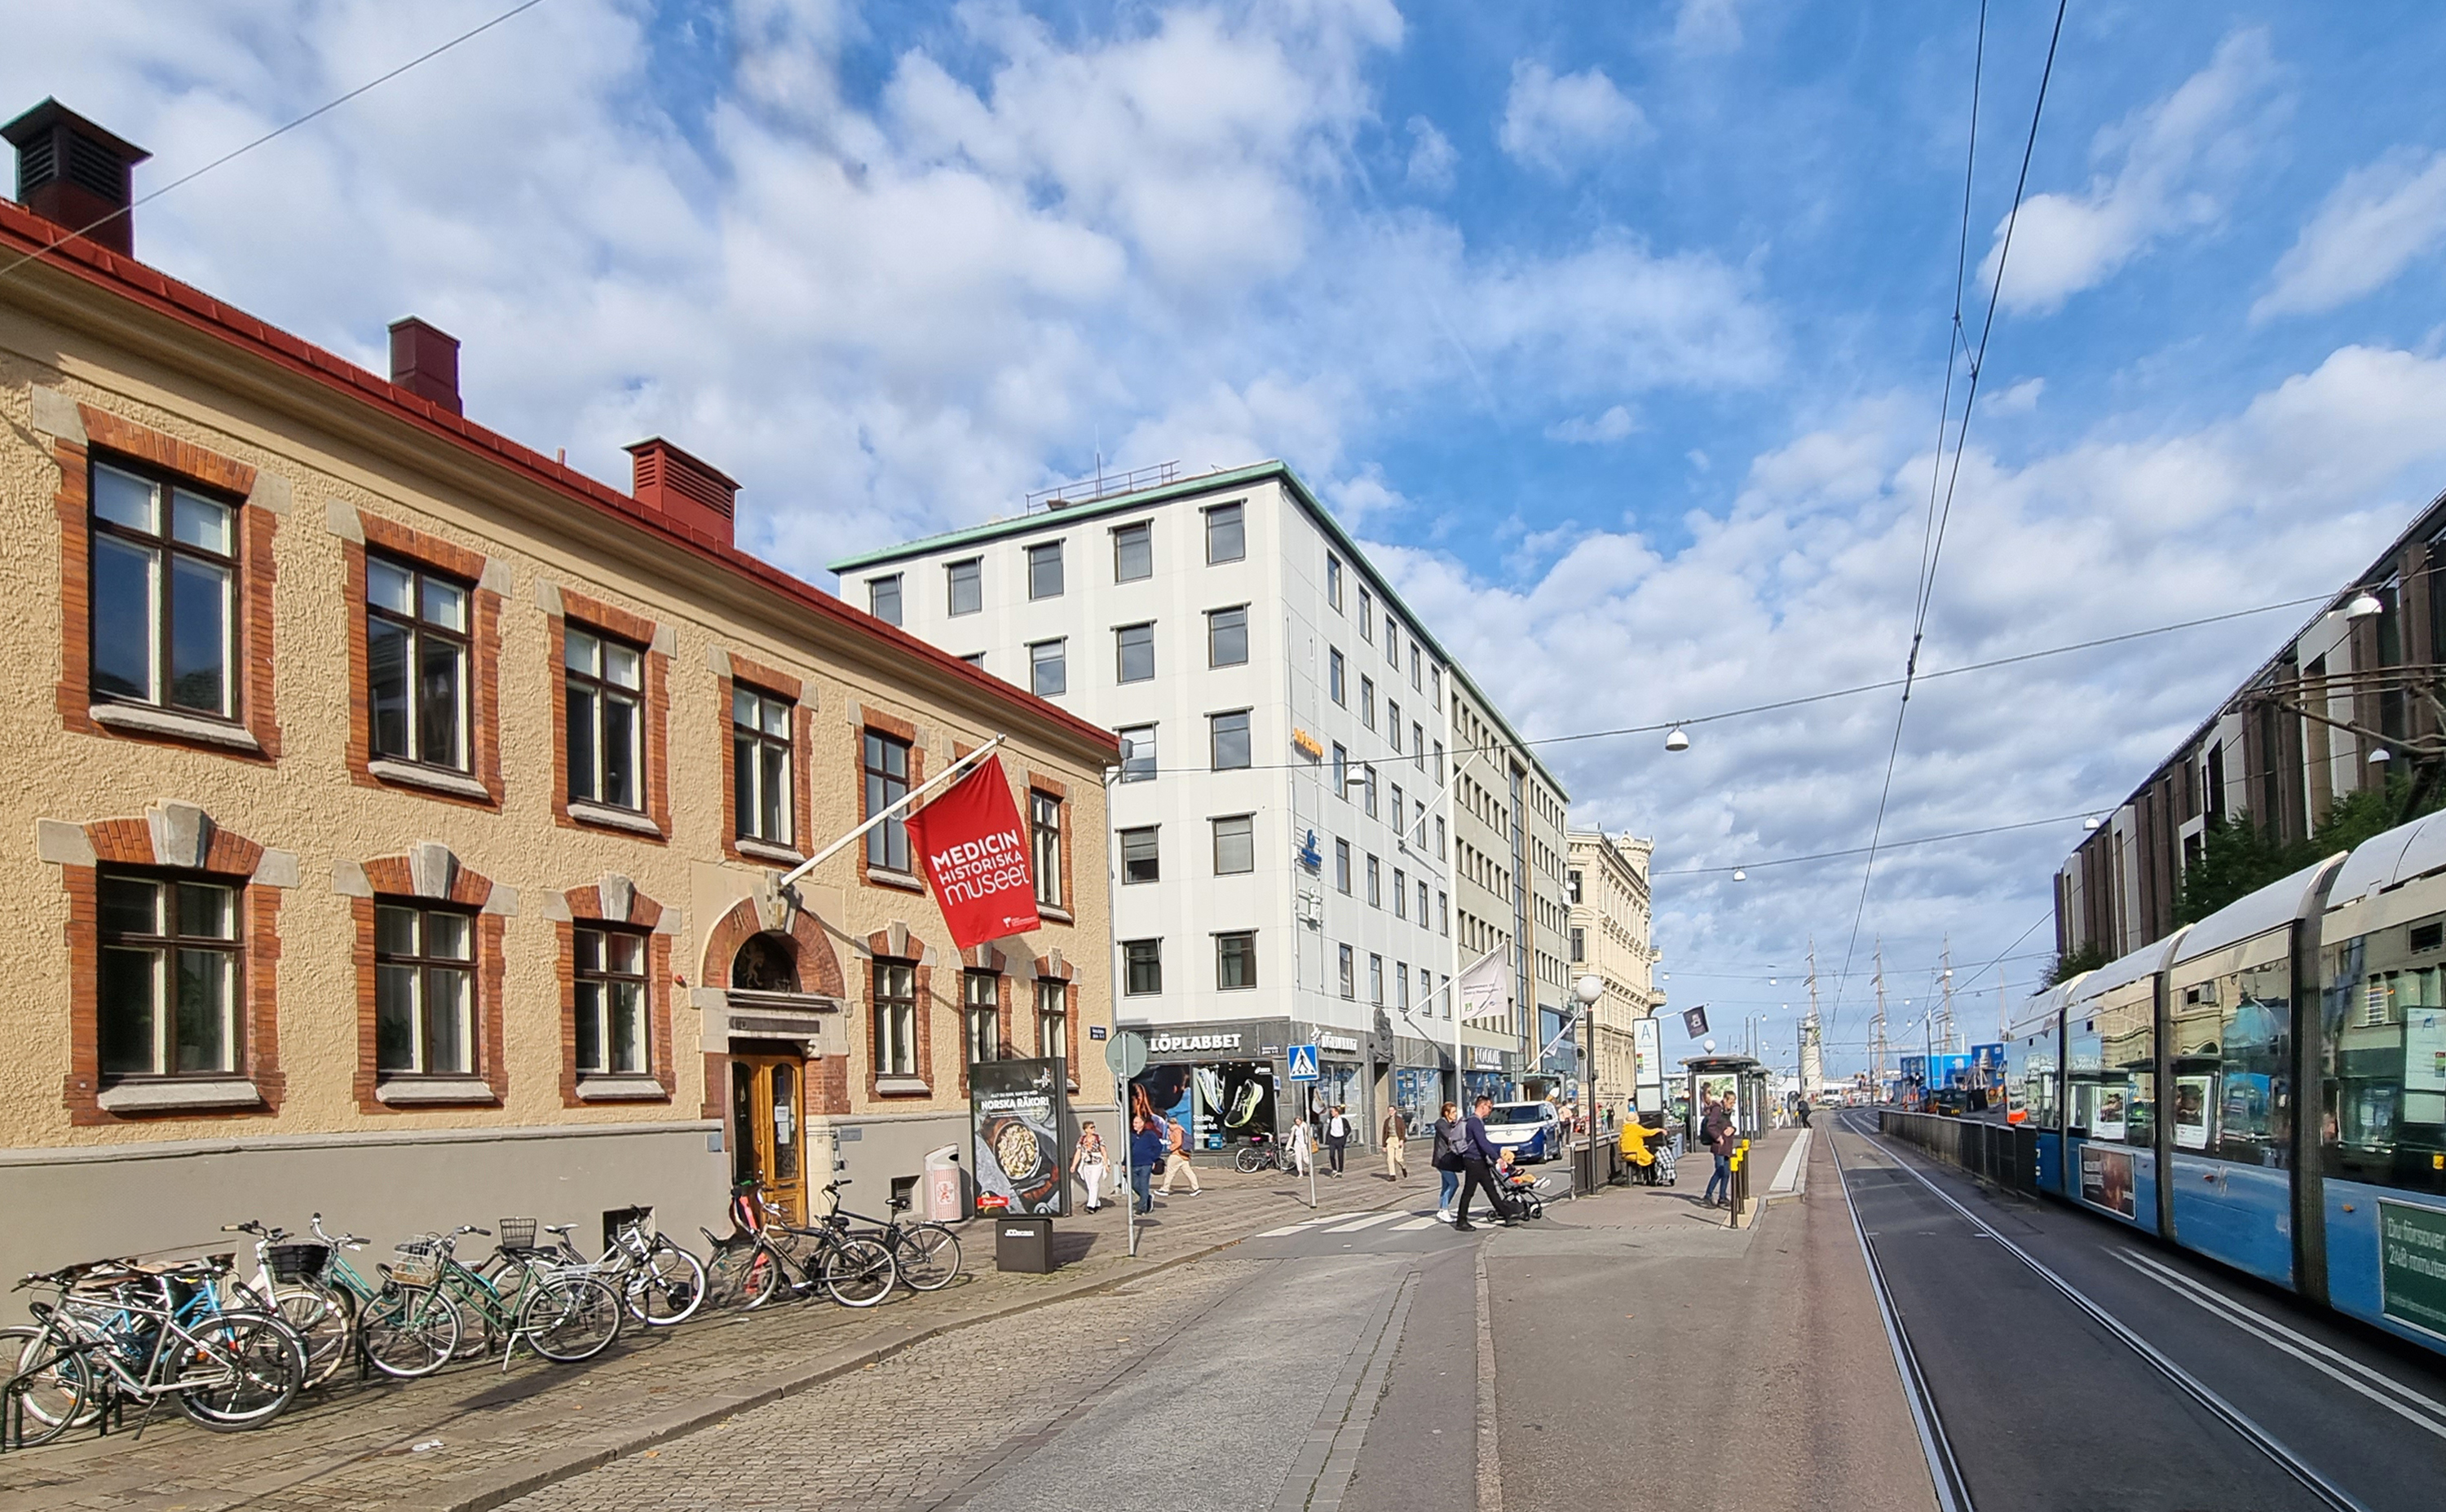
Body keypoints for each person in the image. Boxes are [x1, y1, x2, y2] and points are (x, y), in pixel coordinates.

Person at [1452, 1095, 1510, 1231]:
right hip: (1474, 1160)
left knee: (1490, 1189)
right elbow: (1482, 1143)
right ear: (1482, 1106)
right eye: (1489, 1107)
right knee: (1469, 1191)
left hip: (1478, 1160)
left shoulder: (1475, 1121)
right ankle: (1461, 1221)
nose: (1490, 1110)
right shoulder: (1475, 1122)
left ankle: (1506, 1213)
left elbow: (1484, 1143)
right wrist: (1497, 1158)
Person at [1701, 1095, 1736, 1209]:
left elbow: (1727, 1125)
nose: (1732, 1105)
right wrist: (1718, 1137)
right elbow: (1710, 1126)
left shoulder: (1726, 1112)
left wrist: (1733, 1129)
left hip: (1726, 1146)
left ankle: (1722, 1197)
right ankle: (1708, 1195)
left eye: (1733, 1102)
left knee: (1726, 1172)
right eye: (1730, 1102)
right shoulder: (1717, 1110)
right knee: (1720, 1171)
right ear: (1725, 1100)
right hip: (1719, 1146)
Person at [1129, 1114, 1167, 1214]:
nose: (1134, 1125)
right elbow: (1128, 1150)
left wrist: (1153, 1159)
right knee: (1134, 1184)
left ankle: (1142, 1208)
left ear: (1142, 1124)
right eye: (1134, 1123)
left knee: (1144, 1184)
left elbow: (1158, 1147)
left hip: (1146, 1164)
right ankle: (1146, 1197)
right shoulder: (1132, 1135)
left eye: (1136, 1123)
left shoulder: (1149, 1134)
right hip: (1134, 1163)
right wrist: (1125, 1163)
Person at [1431, 1101, 1463, 1220]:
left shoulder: (1451, 1124)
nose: (1455, 1115)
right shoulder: (1441, 1123)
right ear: (1446, 1113)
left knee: (1446, 1186)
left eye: (1456, 1112)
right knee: (1454, 1183)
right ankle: (1444, 1210)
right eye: (1453, 1112)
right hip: (1442, 1159)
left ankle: (1443, 1210)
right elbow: (1450, 1137)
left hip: (1447, 1160)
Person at [1159, 1113, 1203, 1196]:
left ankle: (1165, 1189)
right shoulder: (1181, 1130)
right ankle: (1196, 1188)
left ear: (1171, 1124)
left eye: (1169, 1125)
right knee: (1188, 1172)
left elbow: (1178, 1142)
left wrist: (1171, 1147)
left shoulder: (1176, 1131)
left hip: (1177, 1154)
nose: (1169, 1127)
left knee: (1170, 1171)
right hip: (1183, 1155)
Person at [1075, 1122, 1109, 1212]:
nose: (1093, 1129)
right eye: (1091, 1127)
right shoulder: (1082, 1139)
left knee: (1094, 1183)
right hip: (1087, 1164)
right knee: (1090, 1185)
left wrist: (1106, 1164)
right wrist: (1074, 1165)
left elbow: (1104, 1152)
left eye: (1094, 1127)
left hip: (1097, 1164)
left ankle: (1091, 1205)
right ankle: (1096, 1202)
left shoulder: (1098, 1138)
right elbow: (1078, 1153)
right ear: (1086, 1130)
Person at [1381, 1104, 1410, 1181]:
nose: (1391, 1112)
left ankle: (1403, 1167)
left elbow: (1403, 1130)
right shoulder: (1387, 1121)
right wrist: (1384, 1145)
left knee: (1398, 1158)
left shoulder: (1399, 1120)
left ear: (1395, 1111)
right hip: (1390, 1139)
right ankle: (1392, 1175)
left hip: (1398, 1139)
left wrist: (1402, 1140)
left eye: (1392, 1110)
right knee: (1390, 1158)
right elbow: (1384, 1133)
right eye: (1389, 1111)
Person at [1325, 1104, 1350, 1177]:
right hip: (1333, 1139)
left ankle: (1340, 1170)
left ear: (1337, 1112)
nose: (1331, 1113)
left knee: (1340, 1155)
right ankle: (1334, 1169)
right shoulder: (1331, 1120)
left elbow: (1348, 1129)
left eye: (1332, 1111)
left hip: (1340, 1139)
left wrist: (1344, 1136)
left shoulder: (1343, 1120)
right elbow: (1329, 1129)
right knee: (1331, 1155)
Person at [1287, 1114, 1316, 1178]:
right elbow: (1291, 1137)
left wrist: (1308, 1142)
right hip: (1297, 1144)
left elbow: (1308, 1134)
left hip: (1304, 1144)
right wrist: (1288, 1146)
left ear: (1301, 1121)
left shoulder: (1304, 1126)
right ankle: (1300, 1173)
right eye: (1296, 1122)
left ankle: (1310, 1167)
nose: (1297, 1123)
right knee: (1298, 1159)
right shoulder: (1294, 1128)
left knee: (1305, 1159)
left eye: (1298, 1121)